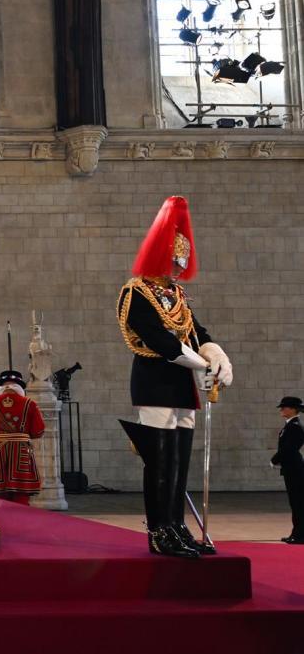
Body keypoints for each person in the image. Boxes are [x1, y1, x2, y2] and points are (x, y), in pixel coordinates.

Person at [116, 196, 232, 559]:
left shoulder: (176, 295)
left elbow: (197, 332)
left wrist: (217, 356)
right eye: (176, 260)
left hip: (182, 385)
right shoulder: (136, 293)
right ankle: (159, 530)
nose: (180, 267)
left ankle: (177, 525)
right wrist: (201, 364)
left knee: (180, 458)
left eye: (183, 260)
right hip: (154, 380)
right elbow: (162, 342)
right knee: (160, 459)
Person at [0, 371, 44, 505]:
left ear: (1, 386)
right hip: (21, 453)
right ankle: (21, 522)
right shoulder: (30, 403)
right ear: (19, 386)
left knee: (0, 494)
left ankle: (4, 522)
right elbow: (39, 431)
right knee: (21, 493)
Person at [271, 396, 304, 544]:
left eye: (285, 407)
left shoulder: (295, 427)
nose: (282, 409)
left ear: (293, 409)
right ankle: (297, 533)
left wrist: (275, 459)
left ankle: (299, 535)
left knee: (297, 503)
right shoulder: (290, 425)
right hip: (292, 468)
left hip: (295, 469)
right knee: (295, 502)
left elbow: (288, 448)